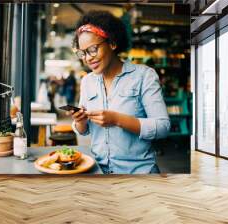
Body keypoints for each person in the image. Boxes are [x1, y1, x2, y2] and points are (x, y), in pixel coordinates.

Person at [70, 11, 170, 174]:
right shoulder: (87, 82)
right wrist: (80, 121)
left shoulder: (144, 76)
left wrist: (117, 119)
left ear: (113, 43)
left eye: (93, 49)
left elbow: (163, 127)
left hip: (138, 173)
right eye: (83, 53)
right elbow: (84, 130)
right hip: (98, 171)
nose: (88, 58)